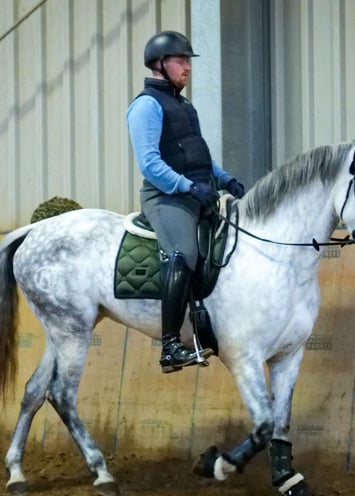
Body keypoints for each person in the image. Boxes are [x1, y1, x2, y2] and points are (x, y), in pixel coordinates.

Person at [126, 30, 246, 374]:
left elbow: (196, 154)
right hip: (165, 196)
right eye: (180, 61)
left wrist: (224, 179)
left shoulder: (184, 105)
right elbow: (149, 163)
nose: (187, 68)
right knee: (184, 254)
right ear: (160, 64)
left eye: (187, 61)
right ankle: (170, 346)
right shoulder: (146, 106)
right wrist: (188, 187)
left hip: (197, 192)